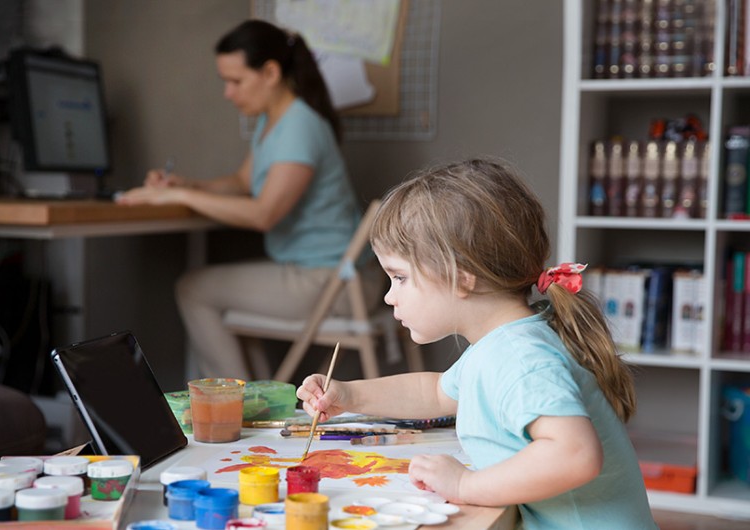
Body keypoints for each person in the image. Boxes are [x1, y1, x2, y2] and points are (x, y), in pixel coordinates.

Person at [297, 158, 657, 529]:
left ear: (462, 278)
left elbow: (576, 454)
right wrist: (349, 395)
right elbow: (435, 392)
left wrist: (464, 484)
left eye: (400, 277)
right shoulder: (502, 344)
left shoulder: (520, 357)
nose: (390, 296)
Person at [118, 19, 380, 381]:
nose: (228, 93)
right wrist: (185, 184)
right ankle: (249, 397)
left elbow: (264, 214)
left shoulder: (300, 126)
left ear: (270, 73)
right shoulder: (272, 122)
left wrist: (178, 195)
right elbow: (243, 182)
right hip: (320, 276)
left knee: (193, 289)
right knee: (205, 290)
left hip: (335, 284)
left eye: (236, 81)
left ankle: (232, 401)